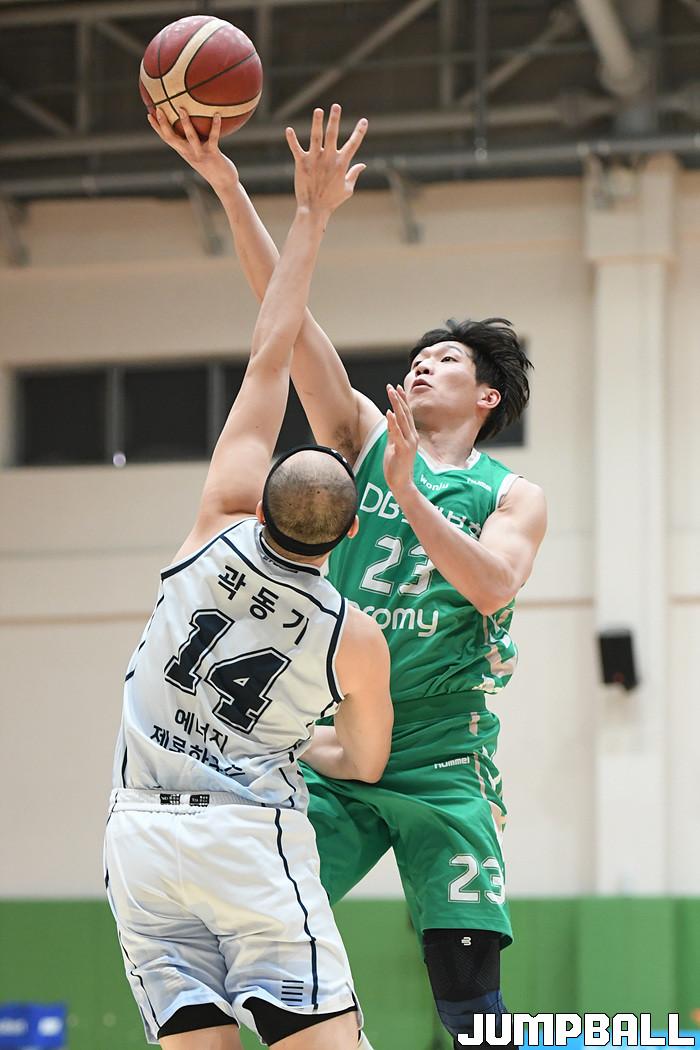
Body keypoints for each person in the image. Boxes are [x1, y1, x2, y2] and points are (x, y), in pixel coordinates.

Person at [150, 105, 547, 1049]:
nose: (423, 365)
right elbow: (284, 323)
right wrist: (228, 185)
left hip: (443, 755)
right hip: (336, 739)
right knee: (243, 944)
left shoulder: (512, 491)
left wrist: (409, 495)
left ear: (487, 394)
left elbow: (493, 586)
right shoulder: (363, 434)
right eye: (417, 358)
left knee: (468, 996)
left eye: (446, 359)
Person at [106, 105, 393, 1050]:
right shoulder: (352, 634)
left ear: (261, 503)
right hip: (247, 841)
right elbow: (366, 762)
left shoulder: (214, 526)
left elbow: (272, 346)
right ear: (352, 530)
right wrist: (301, 747)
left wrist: (252, 191)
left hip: (139, 836)